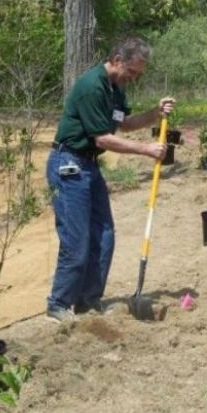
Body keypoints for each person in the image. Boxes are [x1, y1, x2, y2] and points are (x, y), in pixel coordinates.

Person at [46, 37, 175, 323]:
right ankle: (58, 304)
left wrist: (154, 114)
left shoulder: (115, 89)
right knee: (77, 240)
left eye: (139, 74)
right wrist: (146, 150)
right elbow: (102, 137)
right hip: (68, 164)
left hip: (89, 166)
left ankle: (88, 301)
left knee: (104, 235)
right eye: (132, 72)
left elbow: (122, 124)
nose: (134, 78)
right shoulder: (92, 86)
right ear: (117, 60)